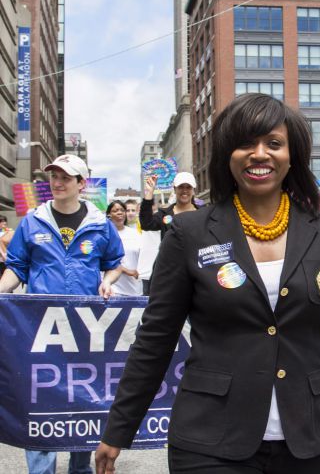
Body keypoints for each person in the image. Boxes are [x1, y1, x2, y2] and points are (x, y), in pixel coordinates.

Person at [95, 93, 320, 474]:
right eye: (246, 143)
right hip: (208, 442)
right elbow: (155, 338)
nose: (259, 154)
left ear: (291, 156)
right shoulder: (189, 232)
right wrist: (118, 429)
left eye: (274, 143)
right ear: (227, 155)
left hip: (309, 441)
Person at [0, 154, 124, 474]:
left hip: (85, 328)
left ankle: (80, 467)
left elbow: (113, 264)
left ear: (81, 184)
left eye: (65, 177)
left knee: (82, 398)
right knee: (39, 400)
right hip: (39, 327)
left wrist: (108, 282)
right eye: (53, 176)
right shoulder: (32, 221)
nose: (57, 182)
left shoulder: (100, 224)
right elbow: (17, 267)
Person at [139, 171, 199, 239]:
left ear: (193, 190)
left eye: (188, 187)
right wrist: (149, 192)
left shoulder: (203, 213)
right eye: (181, 187)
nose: (184, 190)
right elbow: (146, 224)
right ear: (175, 189)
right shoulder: (164, 214)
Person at [106, 200, 143, 297]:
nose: (119, 213)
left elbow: (143, 257)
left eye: (122, 210)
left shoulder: (136, 234)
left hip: (135, 289)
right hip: (113, 290)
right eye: (115, 211)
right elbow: (106, 261)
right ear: (109, 214)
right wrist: (126, 270)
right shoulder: (105, 235)